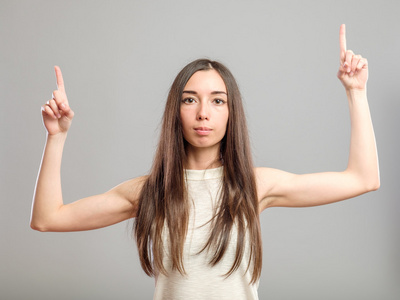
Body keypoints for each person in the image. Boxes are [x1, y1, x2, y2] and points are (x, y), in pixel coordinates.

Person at [31, 24, 379, 300]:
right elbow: (48, 218)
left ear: (231, 113)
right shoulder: (150, 191)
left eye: (217, 101)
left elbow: (363, 178)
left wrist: (356, 92)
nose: (202, 113)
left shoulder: (254, 186)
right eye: (190, 100)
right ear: (176, 111)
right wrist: (57, 136)